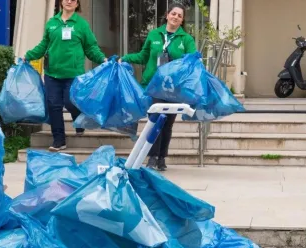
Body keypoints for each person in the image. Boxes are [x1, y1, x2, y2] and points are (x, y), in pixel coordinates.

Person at [121, 3, 197, 171]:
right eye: (173, 14)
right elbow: (143, 56)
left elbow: (191, 61)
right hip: (153, 85)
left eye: (179, 15)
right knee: (155, 121)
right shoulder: (154, 34)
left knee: (167, 124)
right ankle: (153, 157)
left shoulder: (186, 39)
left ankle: (162, 157)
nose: (176, 17)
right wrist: (125, 58)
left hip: (173, 88)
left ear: (182, 20)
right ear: (167, 15)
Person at [25, 0, 107, 152]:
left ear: (77, 4)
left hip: (73, 74)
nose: (69, 1)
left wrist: (102, 59)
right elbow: (43, 45)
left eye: (73, 0)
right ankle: (59, 140)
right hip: (52, 74)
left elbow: (91, 47)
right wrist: (28, 56)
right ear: (61, 2)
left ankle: (79, 121)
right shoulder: (52, 23)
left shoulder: (81, 25)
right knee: (53, 106)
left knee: (70, 102)